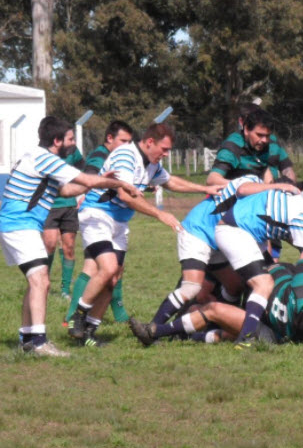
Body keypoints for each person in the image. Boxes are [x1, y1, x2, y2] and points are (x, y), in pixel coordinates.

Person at [0, 117, 140, 357]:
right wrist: (114, 182)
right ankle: (40, 343)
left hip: (20, 225)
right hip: (19, 225)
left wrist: (94, 184)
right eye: (70, 139)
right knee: (41, 281)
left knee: (37, 282)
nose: (73, 144)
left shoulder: (40, 158)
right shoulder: (45, 158)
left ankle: (26, 339)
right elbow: (85, 178)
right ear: (56, 141)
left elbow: (66, 189)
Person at [68, 122, 218, 346]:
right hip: (97, 215)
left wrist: (204, 189)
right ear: (150, 142)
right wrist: (160, 215)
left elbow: (170, 181)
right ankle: (76, 318)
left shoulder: (152, 164)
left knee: (113, 278)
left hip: (119, 222)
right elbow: (126, 196)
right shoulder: (126, 156)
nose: (166, 155)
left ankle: (89, 332)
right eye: (164, 149)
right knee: (107, 268)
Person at [131, 174, 283, 338]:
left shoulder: (263, 207)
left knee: (234, 285)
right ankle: (152, 330)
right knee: (191, 287)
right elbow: (239, 189)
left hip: (220, 242)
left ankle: (217, 322)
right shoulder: (251, 182)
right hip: (198, 232)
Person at [131, 258, 303, 347]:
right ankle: (183, 335)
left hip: (265, 325)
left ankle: (157, 332)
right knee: (214, 322)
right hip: (273, 333)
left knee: (211, 309)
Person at [212, 186, 303, 344]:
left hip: (242, 231)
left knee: (255, 279)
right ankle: (247, 335)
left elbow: (243, 192)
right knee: (263, 284)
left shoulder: (296, 196)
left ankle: (218, 324)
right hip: (236, 233)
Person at [65, 120, 135, 326]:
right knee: (95, 267)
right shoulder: (100, 155)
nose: (126, 146)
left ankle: (78, 315)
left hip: (103, 216)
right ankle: (74, 315)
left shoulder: (117, 156)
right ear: (109, 138)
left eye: (130, 142)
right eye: (123, 141)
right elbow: (92, 179)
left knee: (101, 267)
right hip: (95, 217)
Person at [206, 105, 297, 186]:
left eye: (267, 135)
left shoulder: (270, 143)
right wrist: (245, 186)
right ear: (246, 129)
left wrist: (287, 183)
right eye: (259, 135)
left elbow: (283, 171)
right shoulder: (233, 146)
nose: (264, 140)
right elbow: (212, 179)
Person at [42, 140, 85, 301]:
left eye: (74, 138)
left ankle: (65, 289)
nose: (73, 141)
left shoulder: (73, 152)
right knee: (50, 244)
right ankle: (44, 283)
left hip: (69, 205)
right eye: (69, 137)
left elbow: (84, 172)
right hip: (50, 206)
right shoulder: (46, 152)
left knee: (69, 247)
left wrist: (82, 195)